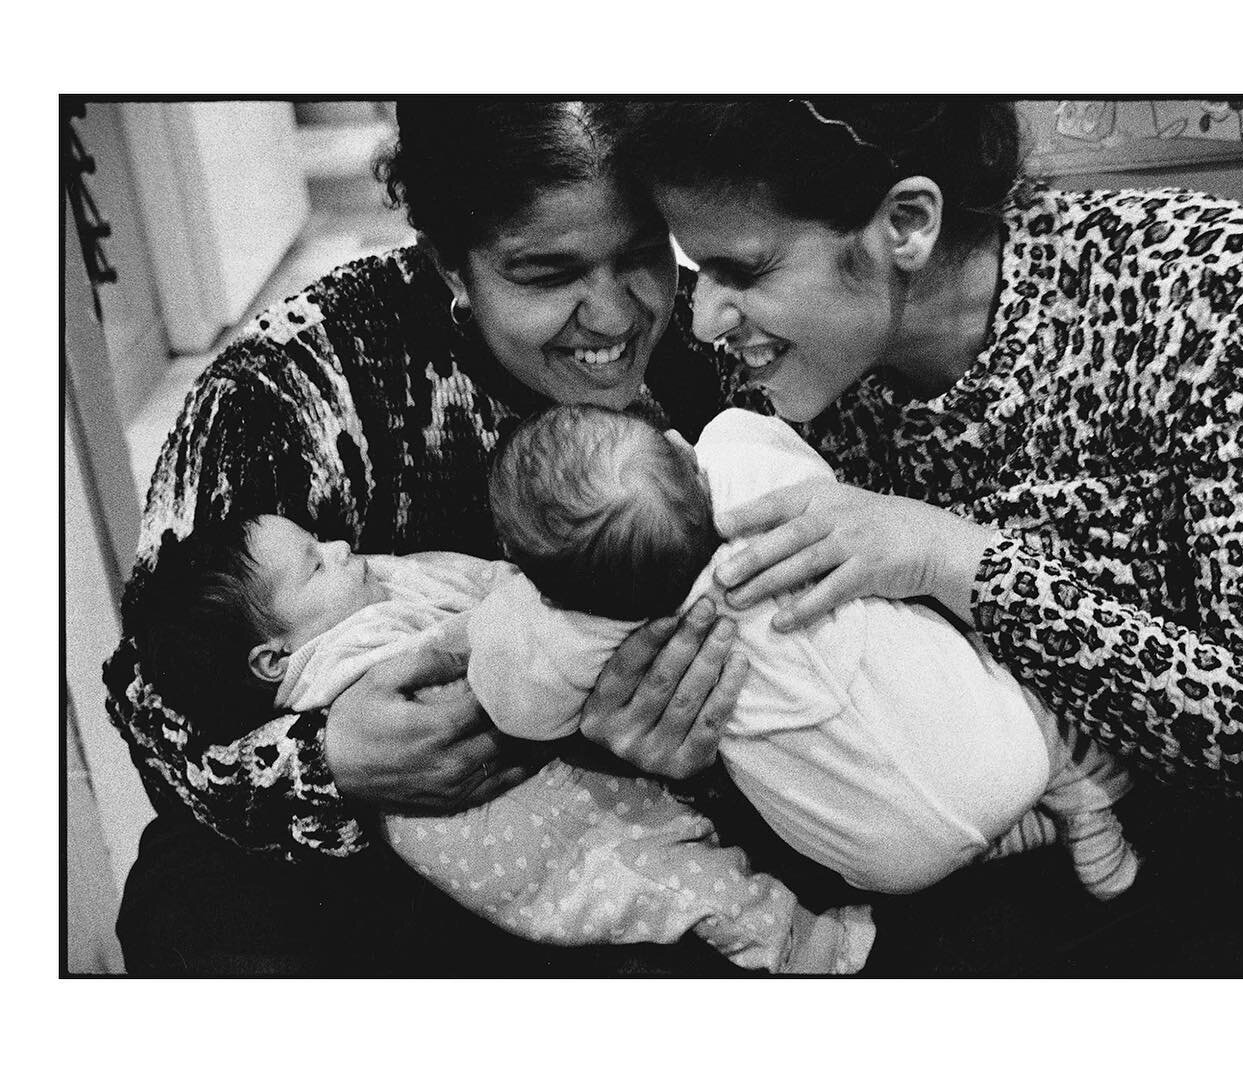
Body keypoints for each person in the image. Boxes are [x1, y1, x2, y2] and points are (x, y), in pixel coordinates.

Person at [602, 99, 1243, 971]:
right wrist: (691, 735)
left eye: (742, 269)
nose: (703, 318)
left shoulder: (1203, 283)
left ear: (907, 222)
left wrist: (951, 556)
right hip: (953, 898)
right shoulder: (776, 396)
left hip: (1232, 906)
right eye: (696, 271)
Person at [107, 100, 757, 976]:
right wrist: (325, 765)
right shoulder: (285, 386)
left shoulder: (707, 352)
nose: (614, 317)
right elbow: (149, 704)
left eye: (644, 255)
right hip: (367, 865)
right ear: (452, 264)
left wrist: (699, 729)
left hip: (619, 839)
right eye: (544, 273)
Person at [128, 513, 873, 973]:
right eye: (316, 561)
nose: (342, 542)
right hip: (531, 848)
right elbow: (477, 652)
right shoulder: (344, 660)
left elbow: (447, 589)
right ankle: (814, 954)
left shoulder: (353, 606)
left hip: (563, 798)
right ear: (271, 661)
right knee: (676, 887)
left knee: (679, 863)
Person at [474, 402, 1139, 899]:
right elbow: (773, 445)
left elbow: (517, 707)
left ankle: (1010, 835)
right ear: (681, 451)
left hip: (889, 861)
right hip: (1004, 739)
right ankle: (1078, 799)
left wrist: (512, 612)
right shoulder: (749, 482)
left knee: (923, 833)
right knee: (1013, 684)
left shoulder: (577, 630)